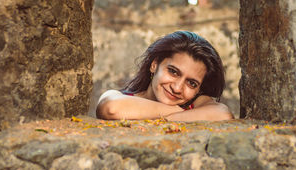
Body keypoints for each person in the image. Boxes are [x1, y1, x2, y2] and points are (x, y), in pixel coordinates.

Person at [96, 31, 234, 121]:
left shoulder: (197, 103)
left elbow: (223, 114)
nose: (177, 88)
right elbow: (111, 109)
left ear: (198, 89)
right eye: (173, 72)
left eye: (192, 83)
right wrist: (178, 111)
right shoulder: (121, 97)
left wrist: (170, 118)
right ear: (154, 65)